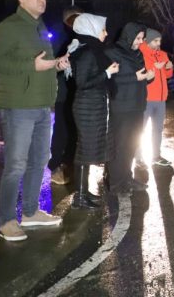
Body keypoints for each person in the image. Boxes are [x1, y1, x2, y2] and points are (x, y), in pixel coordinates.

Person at [0, 0, 70, 241]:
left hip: (43, 106)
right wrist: (30, 65)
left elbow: (40, 65)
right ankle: (7, 220)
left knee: (39, 161)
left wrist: (56, 64)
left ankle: (31, 213)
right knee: (16, 165)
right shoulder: (8, 27)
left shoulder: (40, 28)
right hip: (18, 107)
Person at [66, 14, 119, 209]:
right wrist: (107, 73)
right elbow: (82, 83)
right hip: (86, 107)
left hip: (94, 106)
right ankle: (79, 197)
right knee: (84, 151)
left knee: (86, 150)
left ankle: (82, 192)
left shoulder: (93, 50)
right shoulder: (87, 51)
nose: (106, 33)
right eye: (103, 29)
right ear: (91, 29)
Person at [104, 22, 153, 195]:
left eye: (142, 38)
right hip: (122, 106)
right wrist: (135, 77)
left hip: (138, 105)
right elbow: (109, 79)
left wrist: (149, 77)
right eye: (138, 38)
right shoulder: (113, 52)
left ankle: (127, 177)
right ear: (128, 36)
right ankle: (116, 182)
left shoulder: (137, 54)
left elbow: (140, 77)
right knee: (120, 145)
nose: (140, 42)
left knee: (132, 145)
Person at [48, 6, 81, 185]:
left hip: (73, 92)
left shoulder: (74, 37)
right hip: (64, 93)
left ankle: (66, 165)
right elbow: (54, 64)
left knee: (71, 131)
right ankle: (56, 166)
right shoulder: (62, 38)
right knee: (62, 130)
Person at [135, 28, 174, 168]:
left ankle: (156, 156)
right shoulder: (140, 53)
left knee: (157, 129)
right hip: (146, 98)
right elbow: (141, 73)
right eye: (155, 41)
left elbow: (168, 75)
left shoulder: (163, 54)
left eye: (160, 41)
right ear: (147, 41)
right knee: (141, 129)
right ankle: (138, 157)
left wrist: (169, 67)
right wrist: (155, 67)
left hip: (161, 99)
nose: (158, 44)